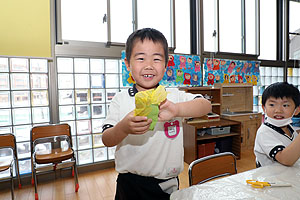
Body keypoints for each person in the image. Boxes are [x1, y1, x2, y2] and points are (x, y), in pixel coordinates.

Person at [101, 28, 211, 200]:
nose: (149, 65)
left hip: (167, 184)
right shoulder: (120, 100)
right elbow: (107, 139)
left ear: (166, 64)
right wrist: (123, 127)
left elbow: (206, 105)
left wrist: (177, 110)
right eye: (141, 58)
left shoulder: (173, 96)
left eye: (157, 59)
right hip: (130, 184)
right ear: (128, 63)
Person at [254, 82, 300, 167]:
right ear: (264, 108)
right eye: (272, 105)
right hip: (270, 178)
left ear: (296, 110)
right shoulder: (264, 132)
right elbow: (286, 159)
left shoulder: (290, 129)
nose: (278, 110)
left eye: (285, 105)